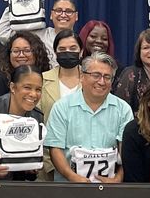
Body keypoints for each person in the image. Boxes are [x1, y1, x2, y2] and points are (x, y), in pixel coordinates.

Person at [46, 53, 133, 183]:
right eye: (96, 75)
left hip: (110, 188)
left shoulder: (123, 109)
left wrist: (118, 178)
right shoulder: (61, 107)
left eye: (107, 77)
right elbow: (55, 149)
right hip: (69, 186)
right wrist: (71, 176)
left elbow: (126, 152)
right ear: (82, 76)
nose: (102, 81)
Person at [0, 0, 79, 66]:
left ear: (76, 16)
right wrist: (14, 3)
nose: (63, 15)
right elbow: (1, 34)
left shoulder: (79, 41)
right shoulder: (39, 35)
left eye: (68, 11)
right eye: (58, 10)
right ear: (51, 15)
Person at [41, 29, 83, 121]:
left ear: (81, 52)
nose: (67, 52)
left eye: (73, 48)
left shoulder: (90, 78)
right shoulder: (42, 79)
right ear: (55, 53)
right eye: (62, 49)